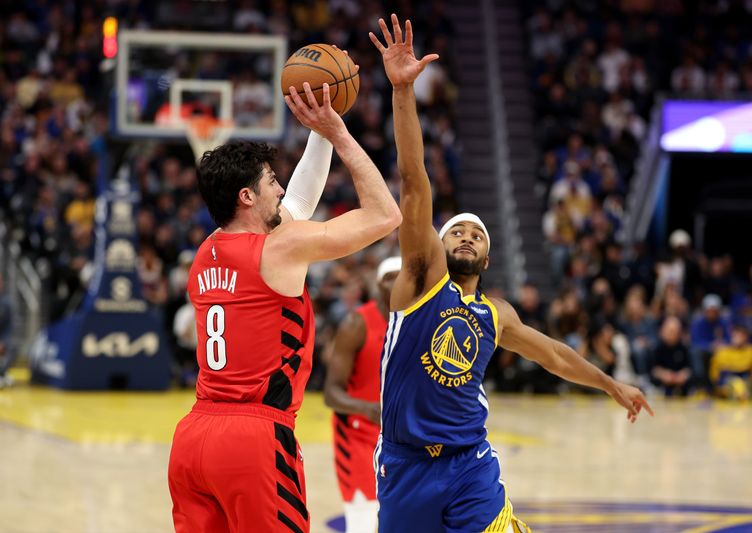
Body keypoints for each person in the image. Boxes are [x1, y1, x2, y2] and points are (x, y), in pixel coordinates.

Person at [370, 15, 652, 532]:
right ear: (438, 245)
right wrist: (403, 92)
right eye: (456, 232)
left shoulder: (494, 314)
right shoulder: (418, 283)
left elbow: (554, 356)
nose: (466, 237)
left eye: (477, 235)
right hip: (406, 464)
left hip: (470, 464)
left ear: (488, 258)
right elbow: (414, 183)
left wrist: (611, 384)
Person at [167, 77, 402, 533]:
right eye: (271, 181)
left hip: (193, 439)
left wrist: (320, 126)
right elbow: (384, 215)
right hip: (252, 438)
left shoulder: (206, 253)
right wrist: (338, 133)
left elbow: (296, 203)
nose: (280, 190)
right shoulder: (279, 250)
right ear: (247, 197)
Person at [323, 256, 401, 533]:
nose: (399, 282)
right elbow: (331, 393)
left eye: (404, 276)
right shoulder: (356, 324)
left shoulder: (418, 324)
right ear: (378, 285)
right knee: (363, 521)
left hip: (399, 439)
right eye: (391, 277)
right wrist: (368, 409)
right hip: (357, 435)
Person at [651, 316, 693, 397]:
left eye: (676, 332)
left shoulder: (684, 348)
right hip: (662, 387)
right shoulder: (657, 348)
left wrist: (682, 375)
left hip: (681, 386)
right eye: (670, 331)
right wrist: (664, 375)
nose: (673, 334)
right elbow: (654, 369)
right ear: (663, 331)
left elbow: (689, 368)